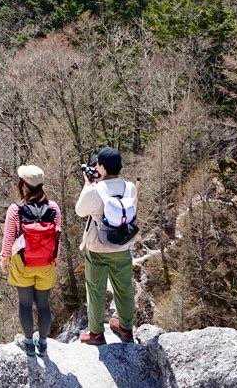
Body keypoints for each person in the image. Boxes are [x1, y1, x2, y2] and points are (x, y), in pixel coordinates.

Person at [74, 146, 138, 345]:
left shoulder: (95, 190)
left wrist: (88, 184)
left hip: (97, 247)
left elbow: (80, 210)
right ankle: (126, 329)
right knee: (124, 289)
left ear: (101, 167)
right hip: (123, 245)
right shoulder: (130, 188)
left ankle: (96, 333)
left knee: (95, 290)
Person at [0, 164, 61, 357]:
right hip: (46, 263)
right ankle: (43, 344)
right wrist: (55, 259)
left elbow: (9, 238)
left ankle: (28, 344)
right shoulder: (53, 208)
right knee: (43, 305)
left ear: (23, 185)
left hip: (22, 263)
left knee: (25, 304)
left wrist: (4, 259)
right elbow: (57, 236)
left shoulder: (15, 209)